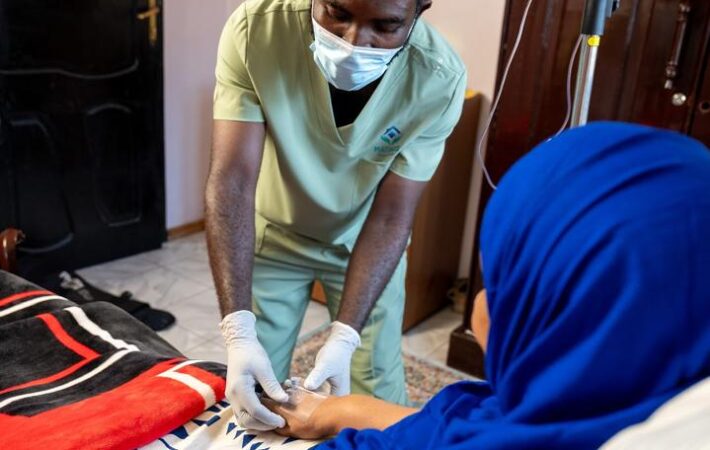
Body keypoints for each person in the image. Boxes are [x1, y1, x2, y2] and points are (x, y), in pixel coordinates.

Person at [264, 122, 710, 448]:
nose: (480, 299)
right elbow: (458, 427)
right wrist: (335, 410)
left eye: (499, 285)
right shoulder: (625, 403)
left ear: (578, 320)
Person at [205, 0, 467, 431]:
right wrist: (237, 329)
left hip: (365, 243)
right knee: (254, 396)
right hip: (275, 234)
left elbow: (391, 217)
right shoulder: (257, 30)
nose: (353, 42)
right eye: (337, 13)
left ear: (421, 10)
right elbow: (231, 180)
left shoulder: (438, 79)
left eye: (385, 26)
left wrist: (345, 336)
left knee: (377, 395)